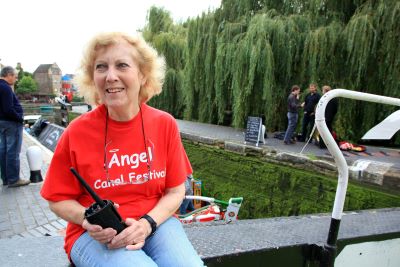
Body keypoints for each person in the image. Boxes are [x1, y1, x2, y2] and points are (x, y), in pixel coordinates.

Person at [40, 32, 204, 267]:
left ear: (141, 74)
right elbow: (57, 199)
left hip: (156, 223)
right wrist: (87, 220)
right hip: (94, 235)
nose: (111, 76)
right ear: (92, 77)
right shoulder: (76, 133)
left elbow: (176, 191)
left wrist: (147, 223)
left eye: (122, 65)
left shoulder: (164, 124)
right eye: (101, 67)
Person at [0, 66, 30, 187]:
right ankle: (14, 179)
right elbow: (8, 109)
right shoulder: (6, 88)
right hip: (11, 123)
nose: (16, 80)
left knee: (3, 150)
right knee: (12, 151)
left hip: (2, 122)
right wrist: (19, 118)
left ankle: (6, 178)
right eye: (15, 77)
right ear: (9, 75)